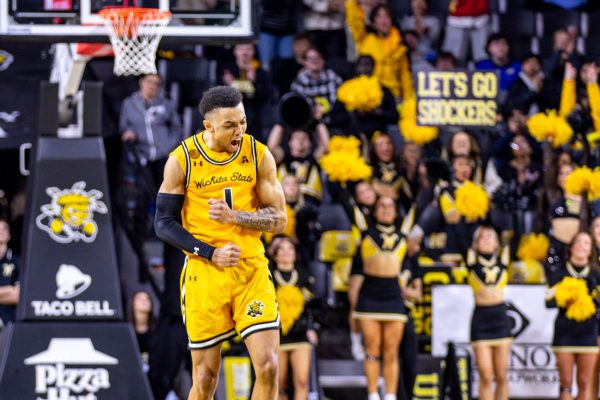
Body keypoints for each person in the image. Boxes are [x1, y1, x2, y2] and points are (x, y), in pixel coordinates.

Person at [154, 86, 287, 400]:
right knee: (205, 379)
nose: (239, 130)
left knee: (268, 366)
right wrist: (210, 253)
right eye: (230, 125)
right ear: (208, 126)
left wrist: (236, 218)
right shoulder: (182, 159)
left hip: (250, 269)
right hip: (205, 272)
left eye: (242, 122)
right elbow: (163, 223)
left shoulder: (258, 154)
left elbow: (279, 220)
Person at [353, 196, 409, 400]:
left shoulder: (403, 233)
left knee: (392, 351)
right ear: (374, 211)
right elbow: (347, 204)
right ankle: (373, 394)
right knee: (372, 349)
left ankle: (391, 395)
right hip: (369, 296)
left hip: (393, 296)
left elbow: (420, 205)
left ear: (396, 212)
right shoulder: (366, 231)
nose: (386, 209)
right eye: (382, 206)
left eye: (390, 206)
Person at [546, 232, 599, 400]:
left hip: (588, 333)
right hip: (565, 334)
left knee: (585, 383)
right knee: (566, 384)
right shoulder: (559, 273)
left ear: (591, 251)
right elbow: (548, 302)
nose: (581, 246)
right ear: (571, 247)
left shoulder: (596, 275)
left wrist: (593, 296)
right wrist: (564, 299)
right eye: (578, 242)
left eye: (586, 243)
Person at [466, 226, 512, 400]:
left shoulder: (504, 261)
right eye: (482, 237)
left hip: (501, 319)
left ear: (496, 245)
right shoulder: (471, 263)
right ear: (476, 244)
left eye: (491, 237)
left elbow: (508, 233)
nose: (486, 239)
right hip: (481, 321)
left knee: (502, 375)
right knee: (485, 375)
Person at [270, 237, 318, 400]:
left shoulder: (304, 276)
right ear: (275, 255)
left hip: (300, 333)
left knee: (302, 380)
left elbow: (311, 307)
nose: (286, 252)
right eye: (281, 249)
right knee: (279, 382)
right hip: (277, 335)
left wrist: (311, 328)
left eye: (290, 249)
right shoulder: (268, 277)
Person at [346, 1, 414, 100]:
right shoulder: (365, 39)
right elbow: (354, 20)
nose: (383, 20)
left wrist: (409, 103)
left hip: (393, 97)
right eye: (379, 16)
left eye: (387, 16)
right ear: (373, 22)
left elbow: (405, 78)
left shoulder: (400, 46)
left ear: (392, 20)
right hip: (369, 95)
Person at [217, 43, 270, 142]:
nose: (245, 53)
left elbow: (266, 96)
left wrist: (254, 82)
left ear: (254, 52)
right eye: (241, 49)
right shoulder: (227, 70)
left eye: (248, 49)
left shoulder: (260, 72)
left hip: (254, 118)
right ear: (235, 51)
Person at [130, 290, 156, 372]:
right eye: (139, 298)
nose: (144, 301)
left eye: (147, 298)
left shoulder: (157, 331)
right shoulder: (126, 331)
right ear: (132, 304)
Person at [0, 220, 19, 330]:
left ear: (9, 235)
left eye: (4, 229)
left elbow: (18, 296)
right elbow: (11, 292)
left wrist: (12, 293)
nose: (1, 231)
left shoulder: (18, 262)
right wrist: (7, 290)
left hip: (8, 324)